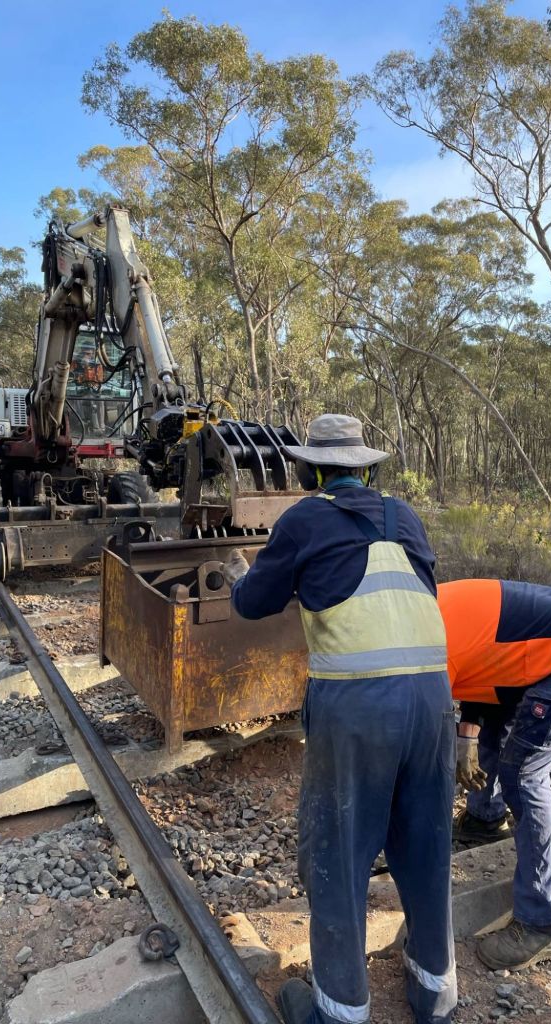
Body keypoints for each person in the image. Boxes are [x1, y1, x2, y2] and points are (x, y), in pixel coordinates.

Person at [222, 414, 457, 1024]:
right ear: (365, 470)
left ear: (311, 471)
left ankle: (340, 1010)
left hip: (359, 706)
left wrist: (241, 574)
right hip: (433, 699)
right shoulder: (405, 517)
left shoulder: (303, 519)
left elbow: (253, 604)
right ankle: (435, 995)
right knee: (426, 843)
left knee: (340, 852)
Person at [436, 578, 551, 972]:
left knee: (523, 774)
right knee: (491, 735)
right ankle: (486, 820)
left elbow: (425, 741)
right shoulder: (429, 615)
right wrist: (466, 735)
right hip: (526, 651)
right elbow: (479, 665)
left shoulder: (426, 646)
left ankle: (542, 922)